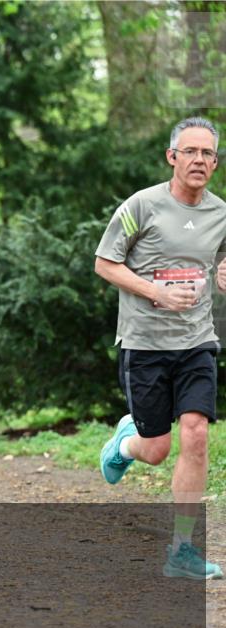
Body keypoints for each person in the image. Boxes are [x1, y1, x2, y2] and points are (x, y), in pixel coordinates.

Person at [95, 116, 225, 580]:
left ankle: (182, 550)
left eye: (207, 153)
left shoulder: (220, 212)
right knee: (155, 450)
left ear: (215, 161)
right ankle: (125, 443)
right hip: (145, 344)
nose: (199, 160)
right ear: (172, 157)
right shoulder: (141, 207)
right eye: (189, 151)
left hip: (196, 342)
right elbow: (105, 263)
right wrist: (156, 291)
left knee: (196, 434)